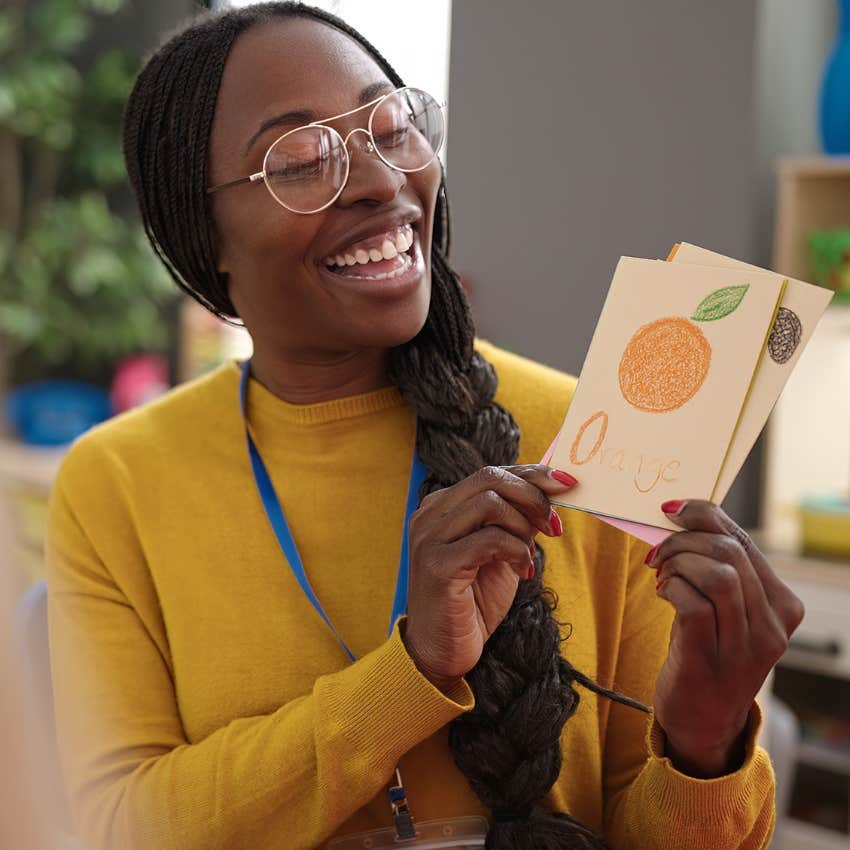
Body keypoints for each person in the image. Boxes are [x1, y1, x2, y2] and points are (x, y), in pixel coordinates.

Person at [45, 4, 805, 849]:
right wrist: (409, 676)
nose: (381, 180)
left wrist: (705, 742)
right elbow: (125, 827)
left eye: (391, 124)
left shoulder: (589, 436)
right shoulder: (119, 481)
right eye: (300, 160)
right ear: (204, 231)